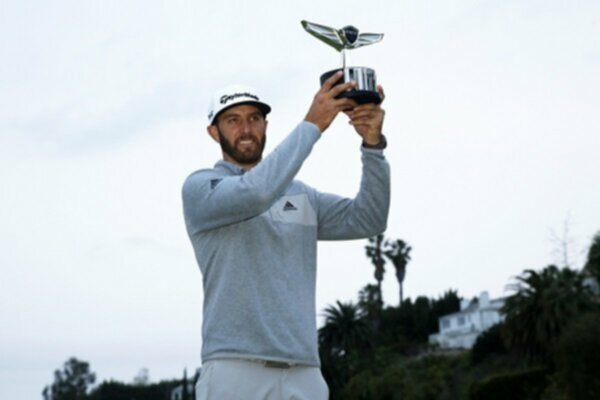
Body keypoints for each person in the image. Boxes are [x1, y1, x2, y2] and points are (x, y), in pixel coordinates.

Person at [182, 71, 390, 400]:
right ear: (213, 132)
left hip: (304, 373)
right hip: (234, 370)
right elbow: (256, 193)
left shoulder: (302, 195)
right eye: (232, 120)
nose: (246, 128)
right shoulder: (202, 188)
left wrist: (373, 146)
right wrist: (313, 124)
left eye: (254, 118)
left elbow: (369, 219)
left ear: (266, 125)